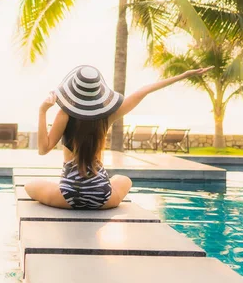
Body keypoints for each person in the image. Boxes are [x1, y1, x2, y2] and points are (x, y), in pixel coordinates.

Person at [26, 64, 213, 210]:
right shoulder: (105, 118)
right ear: (98, 93)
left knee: (30, 185)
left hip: (68, 196)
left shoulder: (63, 115)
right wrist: (184, 75)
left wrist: (42, 111)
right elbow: (143, 91)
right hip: (103, 198)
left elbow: (43, 149)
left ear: (73, 91)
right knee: (124, 179)